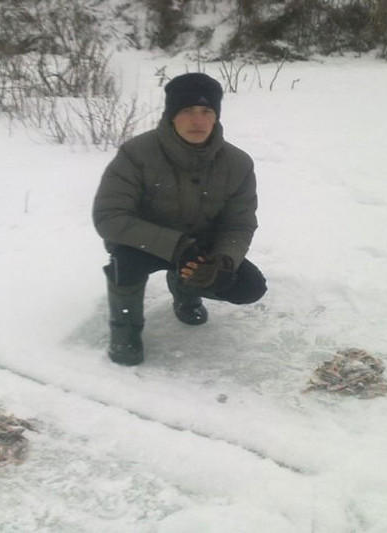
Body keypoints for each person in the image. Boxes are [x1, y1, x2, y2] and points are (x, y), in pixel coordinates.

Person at [92, 72, 267, 366]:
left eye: (206, 111)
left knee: (249, 286)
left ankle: (185, 289)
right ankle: (125, 329)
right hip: (144, 243)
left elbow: (239, 223)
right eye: (187, 111)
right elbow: (109, 217)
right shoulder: (136, 154)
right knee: (124, 264)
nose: (197, 121)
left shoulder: (238, 163)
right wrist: (175, 246)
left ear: (216, 117)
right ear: (171, 115)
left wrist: (224, 261)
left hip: (200, 246)